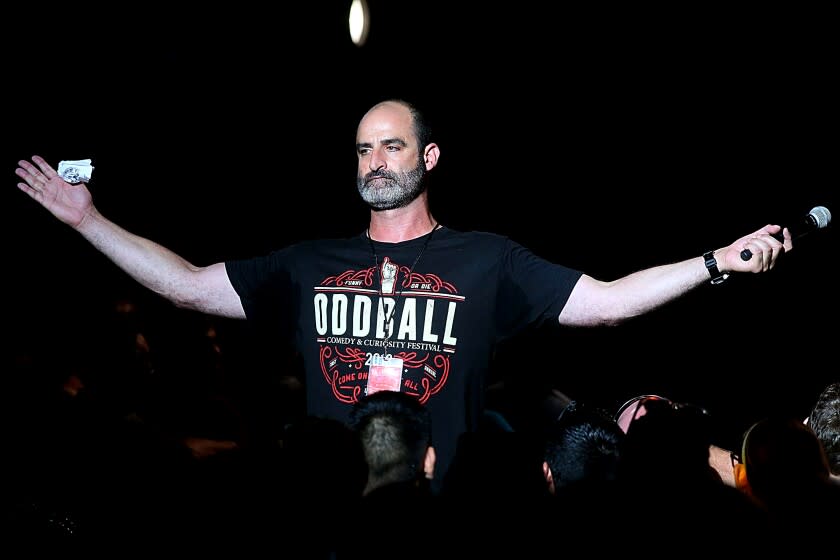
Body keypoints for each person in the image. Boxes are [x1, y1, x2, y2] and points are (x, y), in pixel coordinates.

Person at [14, 98, 792, 493]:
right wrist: (88, 220)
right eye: (362, 147)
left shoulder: (486, 260)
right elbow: (185, 288)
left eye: (391, 144)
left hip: (444, 519)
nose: (375, 160)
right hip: (332, 518)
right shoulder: (312, 260)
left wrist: (716, 261)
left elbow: (607, 302)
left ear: (429, 155)